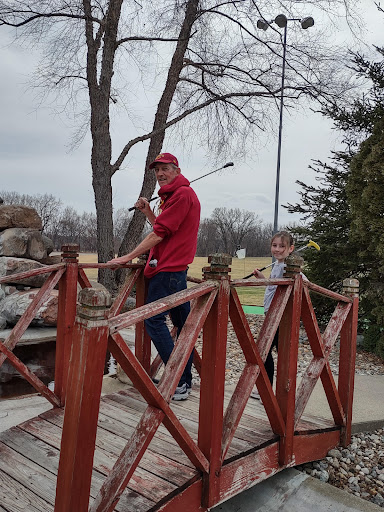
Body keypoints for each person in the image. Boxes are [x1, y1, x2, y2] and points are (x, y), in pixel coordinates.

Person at [108, 152, 201, 400]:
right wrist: (149, 212)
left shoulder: (182, 195)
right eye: (157, 170)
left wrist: (126, 257)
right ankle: (183, 383)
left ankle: (177, 379)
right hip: (176, 271)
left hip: (168, 272)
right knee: (184, 327)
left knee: (153, 321)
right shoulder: (175, 196)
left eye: (165, 169)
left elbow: (158, 235)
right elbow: (165, 229)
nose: (160, 174)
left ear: (177, 170)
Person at [250, 231, 295, 401]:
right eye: (274, 245)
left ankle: (268, 392)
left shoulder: (286, 267)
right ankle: (267, 390)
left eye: (282, 246)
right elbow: (272, 287)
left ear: (290, 248)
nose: (277, 249)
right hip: (271, 313)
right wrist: (262, 278)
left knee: (264, 351)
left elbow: (301, 279)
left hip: (279, 315)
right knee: (267, 351)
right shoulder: (277, 265)